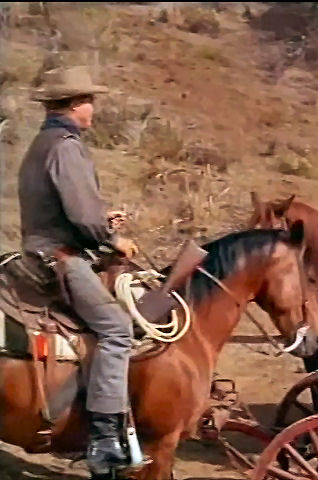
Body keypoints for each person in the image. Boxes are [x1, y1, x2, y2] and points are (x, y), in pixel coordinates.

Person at [18, 65, 139, 476]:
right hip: (59, 257)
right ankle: (104, 440)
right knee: (118, 329)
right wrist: (112, 238)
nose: (93, 109)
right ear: (73, 104)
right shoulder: (66, 147)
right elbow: (84, 218)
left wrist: (102, 222)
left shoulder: (43, 143)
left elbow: (71, 211)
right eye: (90, 101)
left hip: (42, 248)